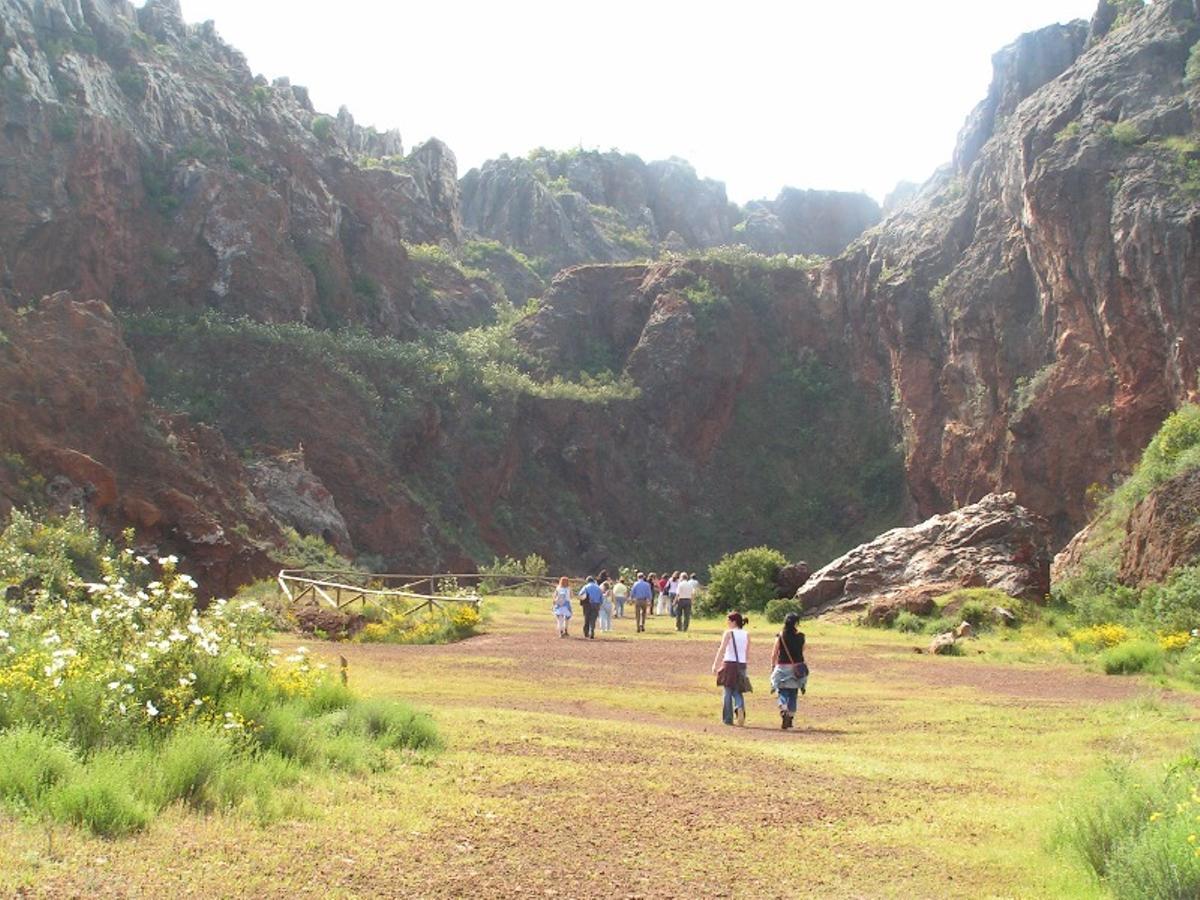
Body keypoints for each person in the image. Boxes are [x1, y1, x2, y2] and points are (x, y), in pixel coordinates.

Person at [769, 612, 808, 729]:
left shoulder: (780, 636)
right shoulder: (801, 636)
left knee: (781, 690)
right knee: (793, 693)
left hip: (782, 667)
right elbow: (803, 650)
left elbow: (774, 653)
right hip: (797, 668)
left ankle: (783, 707)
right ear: (796, 623)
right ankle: (790, 720)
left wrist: (772, 666)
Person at [712, 611, 750, 726]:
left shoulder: (728, 633)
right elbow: (747, 652)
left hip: (729, 663)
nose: (727, 623)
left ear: (734, 621)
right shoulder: (746, 634)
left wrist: (715, 665)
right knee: (738, 689)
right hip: (741, 664)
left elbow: (722, 649)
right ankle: (739, 708)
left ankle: (728, 719)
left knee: (727, 690)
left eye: (728, 620)